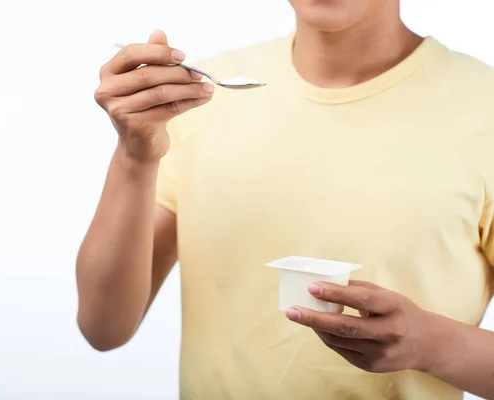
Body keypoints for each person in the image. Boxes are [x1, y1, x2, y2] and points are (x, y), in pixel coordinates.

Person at [76, 0, 494, 398]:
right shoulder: (197, 96)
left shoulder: (482, 110)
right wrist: (134, 158)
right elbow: (103, 326)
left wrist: (432, 344)